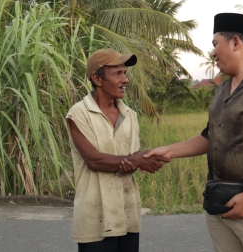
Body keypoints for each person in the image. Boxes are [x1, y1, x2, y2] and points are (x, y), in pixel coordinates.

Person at [143, 13, 243, 252]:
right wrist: (169, 151)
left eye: (216, 44)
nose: (213, 52)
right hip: (220, 206)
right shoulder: (222, 88)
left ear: (235, 42)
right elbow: (209, 136)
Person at [65, 48, 170, 252]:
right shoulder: (78, 114)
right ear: (97, 78)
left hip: (126, 212)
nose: (125, 80)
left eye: (125, 73)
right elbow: (93, 160)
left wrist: (141, 159)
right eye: (117, 74)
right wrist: (138, 161)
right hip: (94, 217)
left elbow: (132, 158)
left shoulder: (129, 115)